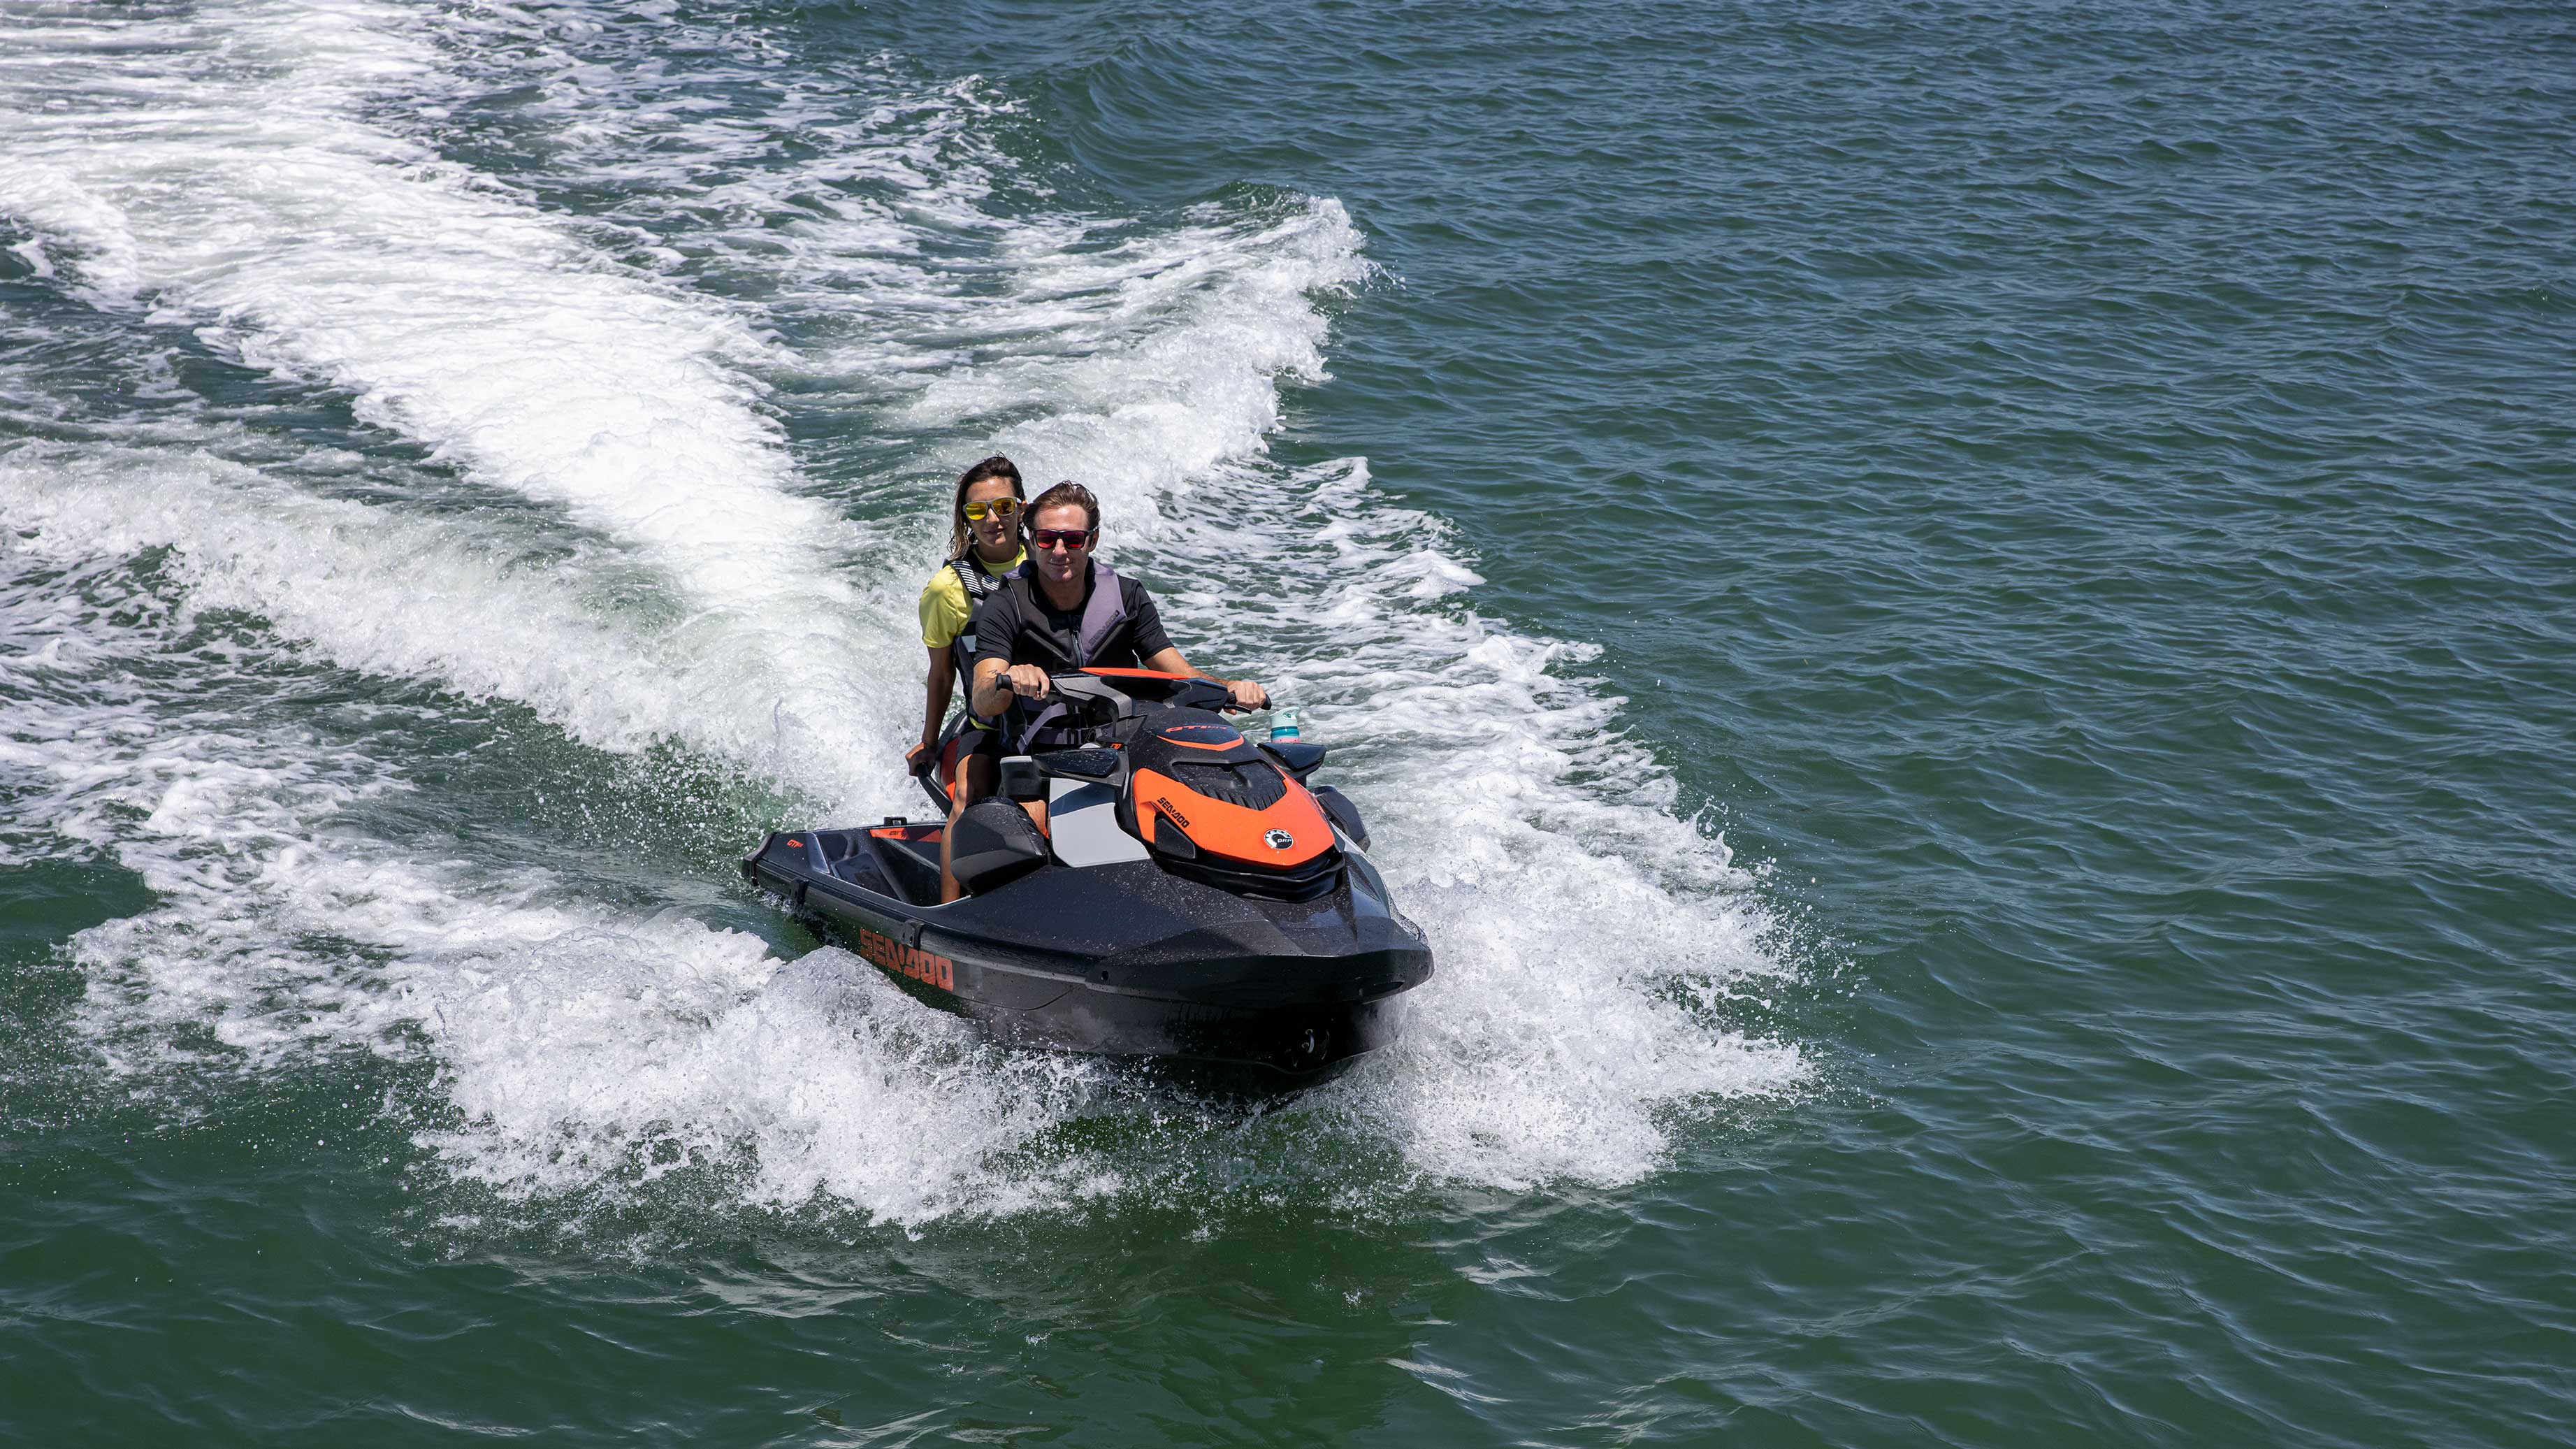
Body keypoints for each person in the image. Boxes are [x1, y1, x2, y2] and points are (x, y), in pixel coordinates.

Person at [967, 482, 1267, 828]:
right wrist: (1010, 681)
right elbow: (984, 697)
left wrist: (1229, 687)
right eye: (1047, 539)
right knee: (1034, 826)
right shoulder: (1006, 604)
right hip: (1039, 759)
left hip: (1121, 750)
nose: (1059, 550)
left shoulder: (1127, 596)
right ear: (1033, 540)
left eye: (1073, 540)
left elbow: (1178, 673)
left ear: (1092, 541)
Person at [911, 454, 1026, 901]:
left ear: (1022, 508)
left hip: (1058, 716)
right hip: (989, 724)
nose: (992, 519)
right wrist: (930, 740)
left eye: (1003, 506)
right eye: (977, 511)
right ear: (965, 518)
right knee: (968, 794)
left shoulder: (1052, 565)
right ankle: (950, 913)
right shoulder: (946, 590)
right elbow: (941, 674)